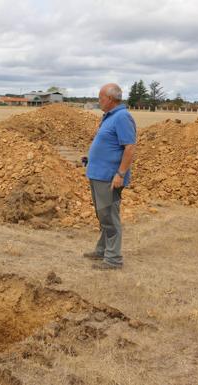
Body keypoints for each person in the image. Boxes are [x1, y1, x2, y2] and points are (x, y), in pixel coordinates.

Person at [84, 83, 137, 270]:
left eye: (100, 98)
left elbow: (129, 148)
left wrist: (120, 174)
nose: (99, 101)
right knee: (103, 215)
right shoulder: (109, 117)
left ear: (110, 99)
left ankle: (113, 259)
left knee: (109, 215)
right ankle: (102, 250)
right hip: (98, 175)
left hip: (109, 178)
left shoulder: (122, 117)